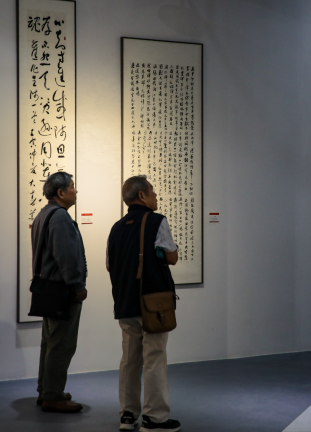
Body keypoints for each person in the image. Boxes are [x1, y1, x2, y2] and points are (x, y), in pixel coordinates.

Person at [106, 175, 181, 431]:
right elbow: (172, 257)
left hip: (124, 301)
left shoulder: (116, 228)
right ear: (142, 196)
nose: (156, 196)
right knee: (154, 357)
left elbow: (109, 265)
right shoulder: (156, 221)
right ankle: (155, 417)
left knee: (129, 359)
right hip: (153, 304)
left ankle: (127, 416)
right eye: (152, 191)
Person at [31, 172, 88, 413]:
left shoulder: (44, 214)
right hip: (62, 290)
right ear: (61, 192)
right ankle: (53, 396)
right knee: (61, 344)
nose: (76, 191)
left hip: (47, 288)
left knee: (50, 342)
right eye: (72, 187)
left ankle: (46, 390)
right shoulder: (61, 218)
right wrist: (77, 285)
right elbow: (66, 256)